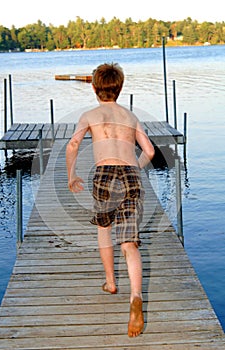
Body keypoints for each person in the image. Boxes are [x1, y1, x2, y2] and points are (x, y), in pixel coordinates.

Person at [66, 63, 155, 337]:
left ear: (94, 88)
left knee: (104, 230)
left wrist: (71, 175)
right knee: (129, 243)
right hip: (129, 174)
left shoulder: (91, 114)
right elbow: (149, 150)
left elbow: (73, 145)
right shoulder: (130, 116)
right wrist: (135, 168)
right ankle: (136, 297)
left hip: (104, 174)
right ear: (120, 87)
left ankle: (110, 282)